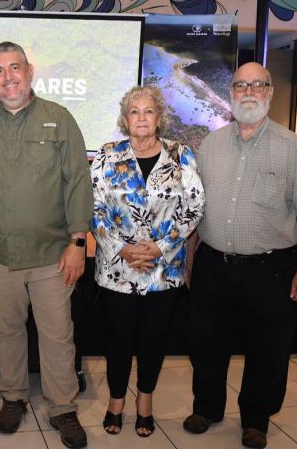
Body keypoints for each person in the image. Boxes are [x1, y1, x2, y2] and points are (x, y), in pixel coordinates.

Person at [0, 41, 93, 449]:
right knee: (5, 331)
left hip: (52, 255)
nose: (8, 77)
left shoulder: (59, 119)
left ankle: (63, 408)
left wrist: (77, 241)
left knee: (57, 335)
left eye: (15, 68)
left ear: (30, 72)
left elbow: (78, 182)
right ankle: (13, 396)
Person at [183, 62, 297, 449]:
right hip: (212, 263)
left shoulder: (291, 147)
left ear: (270, 93)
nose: (248, 92)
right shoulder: (210, 145)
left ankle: (256, 419)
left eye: (257, 85)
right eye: (240, 85)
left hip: (270, 269)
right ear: (231, 94)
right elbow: (196, 208)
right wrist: (191, 259)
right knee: (205, 343)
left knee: (268, 349)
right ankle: (207, 408)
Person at [91, 85, 205, 437]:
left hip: (163, 270)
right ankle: (115, 402)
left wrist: (160, 247)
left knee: (154, 339)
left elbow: (195, 206)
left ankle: (144, 401)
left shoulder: (181, 155)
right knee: (119, 339)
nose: (142, 118)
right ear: (125, 119)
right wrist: (123, 248)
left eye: (148, 111)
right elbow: (93, 207)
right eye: (134, 112)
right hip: (117, 269)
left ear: (159, 117)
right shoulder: (107, 155)